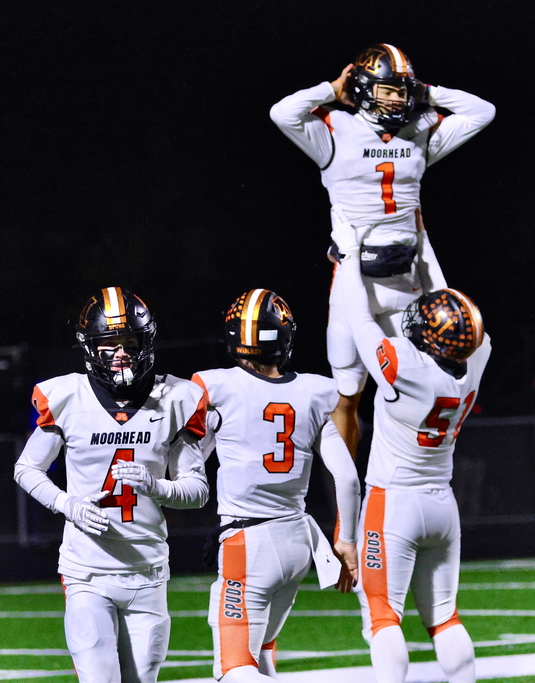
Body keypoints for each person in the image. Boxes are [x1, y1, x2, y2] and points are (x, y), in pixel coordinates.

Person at [269, 43, 495, 455]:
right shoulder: (334, 128)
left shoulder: (420, 129)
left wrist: (427, 91)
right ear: (361, 86)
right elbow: (281, 113)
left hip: (407, 282)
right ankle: (345, 502)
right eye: (388, 89)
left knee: (413, 387)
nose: (398, 98)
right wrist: (330, 88)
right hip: (355, 281)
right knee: (348, 392)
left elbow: (483, 111)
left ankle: (397, 485)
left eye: (403, 90)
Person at [13, 287, 210, 683]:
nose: (121, 352)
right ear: (90, 348)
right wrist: (68, 505)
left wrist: (158, 487)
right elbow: (26, 468)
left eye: (130, 341)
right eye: (109, 343)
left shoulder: (177, 397)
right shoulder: (68, 396)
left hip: (148, 571)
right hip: (87, 573)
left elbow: (198, 490)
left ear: (146, 341)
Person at [330, 215, 491, 683]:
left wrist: (347, 258)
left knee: (382, 618)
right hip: (443, 504)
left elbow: (359, 317)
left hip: (392, 502)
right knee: (444, 617)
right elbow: (447, 303)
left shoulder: (405, 366)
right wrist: (424, 242)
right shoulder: (476, 356)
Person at [191, 288, 361, 682]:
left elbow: (190, 461)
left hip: (246, 542)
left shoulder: (216, 386)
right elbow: (348, 477)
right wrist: (347, 542)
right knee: (262, 647)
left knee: (233, 668)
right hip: (297, 541)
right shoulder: (314, 392)